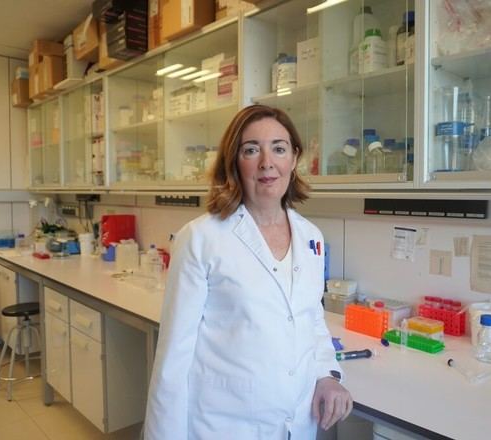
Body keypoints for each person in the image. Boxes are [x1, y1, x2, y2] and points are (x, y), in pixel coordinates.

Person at [144, 105, 352, 439]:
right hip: (224, 424)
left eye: (279, 149)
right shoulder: (201, 237)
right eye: (252, 150)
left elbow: (311, 317)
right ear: (234, 162)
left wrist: (327, 375)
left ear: (294, 159)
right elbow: (174, 355)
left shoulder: (310, 237)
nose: (267, 162)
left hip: (297, 422)